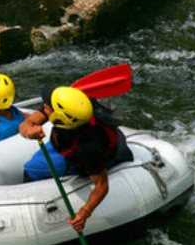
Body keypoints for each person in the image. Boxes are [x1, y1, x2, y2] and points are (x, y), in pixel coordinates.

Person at [18, 85, 133, 232]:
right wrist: (29, 132)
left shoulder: (88, 148)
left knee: (30, 168)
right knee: (38, 160)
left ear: (59, 117)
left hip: (79, 155)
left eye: (47, 107)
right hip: (64, 143)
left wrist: (85, 212)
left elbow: (102, 185)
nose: (43, 107)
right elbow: (26, 124)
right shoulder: (73, 108)